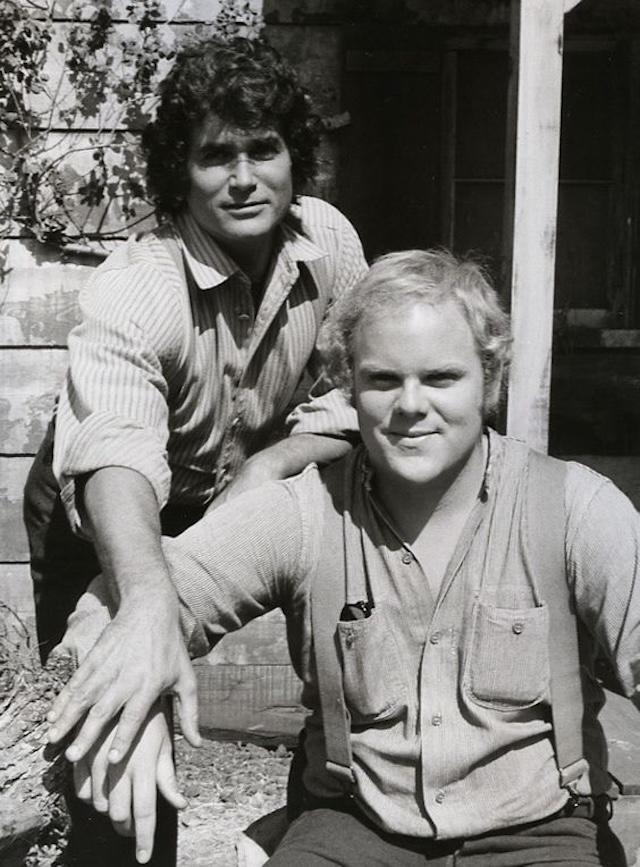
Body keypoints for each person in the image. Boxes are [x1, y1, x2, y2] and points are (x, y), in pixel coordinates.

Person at [57, 249, 639, 865]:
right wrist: (136, 695)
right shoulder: (306, 514)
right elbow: (125, 595)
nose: (410, 405)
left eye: (442, 378)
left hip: (538, 832)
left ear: (489, 381)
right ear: (349, 387)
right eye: (383, 380)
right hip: (355, 830)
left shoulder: (573, 507)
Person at [25, 34, 366, 866]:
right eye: (216, 155)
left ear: (296, 155)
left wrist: (272, 463)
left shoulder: (331, 242)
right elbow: (115, 453)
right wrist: (145, 601)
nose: (243, 176)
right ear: (180, 172)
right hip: (115, 503)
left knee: (342, 663)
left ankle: (317, 833)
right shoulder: (138, 285)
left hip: (259, 481)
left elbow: (360, 385)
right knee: (118, 726)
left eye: (264, 148)